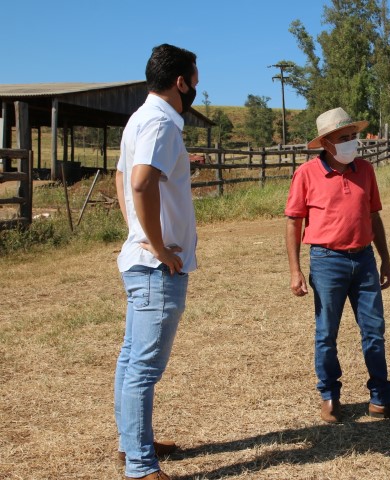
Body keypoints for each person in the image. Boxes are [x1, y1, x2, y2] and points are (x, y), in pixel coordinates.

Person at [285, 107, 390, 424]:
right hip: (326, 261)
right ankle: (329, 397)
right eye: (343, 138)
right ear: (326, 143)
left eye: (353, 136)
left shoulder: (365, 170)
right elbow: (293, 222)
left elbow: (374, 216)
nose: (351, 142)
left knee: (374, 332)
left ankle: (382, 400)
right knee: (326, 334)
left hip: (364, 260)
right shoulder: (306, 174)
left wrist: (385, 258)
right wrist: (295, 270)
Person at [114, 43, 199, 480]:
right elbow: (142, 182)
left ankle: (134, 444)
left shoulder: (139, 118)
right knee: (144, 367)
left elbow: (122, 176)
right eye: (195, 80)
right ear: (180, 81)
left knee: (132, 360)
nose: (197, 88)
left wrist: (137, 232)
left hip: (141, 263)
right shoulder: (162, 121)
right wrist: (159, 246)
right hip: (154, 269)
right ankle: (141, 466)